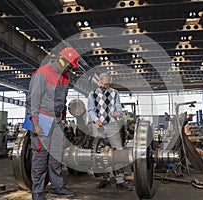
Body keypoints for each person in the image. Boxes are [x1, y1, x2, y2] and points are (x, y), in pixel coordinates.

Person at [27, 47, 79, 200]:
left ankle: (57, 187)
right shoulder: (42, 73)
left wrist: (62, 115)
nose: (70, 69)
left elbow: (61, 99)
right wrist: (34, 122)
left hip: (56, 120)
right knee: (40, 157)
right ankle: (37, 193)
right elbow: (32, 100)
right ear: (62, 60)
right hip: (41, 119)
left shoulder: (65, 77)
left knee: (56, 155)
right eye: (69, 66)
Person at [87, 72, 132, 191]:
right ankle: (105, 178)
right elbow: (90, 110)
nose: (104, 86)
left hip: (112, 125)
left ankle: (120, 180)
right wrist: (96, 120)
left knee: (119, 153)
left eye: (106, 84)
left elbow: (118, 107)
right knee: (100, 153)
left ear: (109, 84)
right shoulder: (92, 94)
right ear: (99, 82)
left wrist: (118, 113)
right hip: (98, 126)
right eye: (102, 83)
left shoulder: (114, 93)